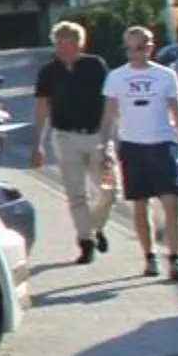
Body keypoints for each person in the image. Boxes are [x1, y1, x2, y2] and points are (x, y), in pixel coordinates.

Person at [106, 26, 178, 279]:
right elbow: (110, 115)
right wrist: (106, 146)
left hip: (163, 144)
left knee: (171, 201)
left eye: (139, 48)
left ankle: (175, 258)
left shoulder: (165, 76)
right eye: (129, 48)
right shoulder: (116, 77)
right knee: (140, 204)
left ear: (150, 47)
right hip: (133, 146)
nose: (134, 53)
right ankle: (149, 257)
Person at [30, 21, 116, 266]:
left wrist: (110, 136)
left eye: (66, 43)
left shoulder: (95, 66)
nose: (61, 48)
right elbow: (42, 107)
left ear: (79, 44)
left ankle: (95, 226)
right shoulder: (49, 71)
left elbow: (110, 103)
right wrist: (38, 142)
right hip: (65, 137)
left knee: (110, 191)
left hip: (97, 136)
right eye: (58, 43)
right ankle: (85, 241)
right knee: (77, 194)